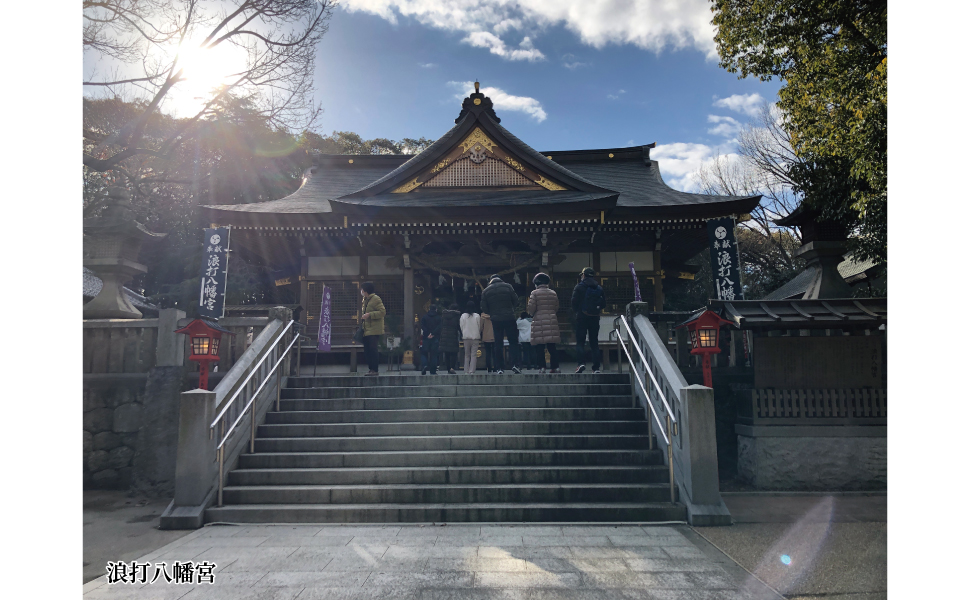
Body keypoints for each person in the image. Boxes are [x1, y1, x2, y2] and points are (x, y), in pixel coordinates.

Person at [480, 274, 520, 374]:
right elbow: (516, 301)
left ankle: (499, 368)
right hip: (509, 317)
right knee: (513, 341)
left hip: (496, 319)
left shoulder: (486, 291)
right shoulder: (508, 286)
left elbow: (484, 308)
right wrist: (511, 310)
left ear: (490, 280)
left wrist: (492, 313)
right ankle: (515, 364)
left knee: (498, 343)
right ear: (500, 279)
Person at [571, 267, 606, 374]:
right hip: (595, 318)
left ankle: (581, 363)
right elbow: (603, 304)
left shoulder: (579, 287)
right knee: (594, 342)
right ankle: (596, 368)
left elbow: (573, 302)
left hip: (582, 317)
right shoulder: (599, 288)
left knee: (580, 342)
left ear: (584, 275)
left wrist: (578, 311)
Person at [527, 272, 562, 374]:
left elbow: (531, 308)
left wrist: (532, 313)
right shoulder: (553, 293)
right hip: (551, 320)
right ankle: (556, 367)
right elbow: (556, 307)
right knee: (552, 347)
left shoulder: (534, 293)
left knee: (539, 347)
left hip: (538, 321)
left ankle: (542, 367)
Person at [359, 281, 386, 376]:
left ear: (365, 290)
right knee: (367, 350)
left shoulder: (376, 299)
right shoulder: (365, 300)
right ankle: (370, 369)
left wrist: (370, 315)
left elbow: (382, 312)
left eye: (362, 289)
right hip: (366, 329)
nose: (361, 291)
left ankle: (375, 369)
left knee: (373, 349)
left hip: (374, 329)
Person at [460, 301, 482, 375]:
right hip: (475, 337)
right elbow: (479, 326)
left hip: (466, 337)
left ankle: (466, 370)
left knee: (466, 354)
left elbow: (461, 326)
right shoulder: (477, 316)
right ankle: (472, 370)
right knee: (473, 355)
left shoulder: (463, 316)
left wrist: (464, 332)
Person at [419, 304, 442, 375]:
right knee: (434, 355)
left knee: (424, 353)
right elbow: (439, 327)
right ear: (436, 309)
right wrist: (433, 333)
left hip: (426, 338)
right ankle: (433, 370)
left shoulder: (425, 317)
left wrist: (427, 333)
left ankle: (424, 365)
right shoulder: (439, 318)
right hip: (435, 338)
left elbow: (422, 326)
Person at [439, 303, 462, 374]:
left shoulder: (444, 316)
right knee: (454, 353)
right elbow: (458, 326)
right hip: (453, 336)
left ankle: (448, 368)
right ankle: (452, 367)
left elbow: (441, 325)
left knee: (447, 353)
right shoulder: (456, 316)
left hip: (445, 336)